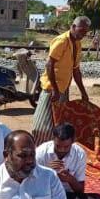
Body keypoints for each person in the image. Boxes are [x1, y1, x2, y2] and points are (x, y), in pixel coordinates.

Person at [31, 16, 91, 146]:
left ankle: (54, 149)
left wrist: (83, 93)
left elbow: (76, 70)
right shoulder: (62, 41)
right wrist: (55, 90)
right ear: (73, 27)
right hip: (51, 90)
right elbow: (49, 65)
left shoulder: (77, 44)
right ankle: (38, 150)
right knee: (42, 124)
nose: (83, 35)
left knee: (59, 123)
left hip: (63, 89)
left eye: (85, 32)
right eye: (81, 31)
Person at [35, 122, 100, 199]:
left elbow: (80, 190)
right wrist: (46, 171)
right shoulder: (41, 152)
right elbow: (30, 184)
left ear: (73, 141)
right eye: (58, 146)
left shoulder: (79, 154)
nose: (62, 150)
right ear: (53, 139)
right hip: (44, 195)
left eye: (66, 147)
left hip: (66, 197)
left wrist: (70, 179)